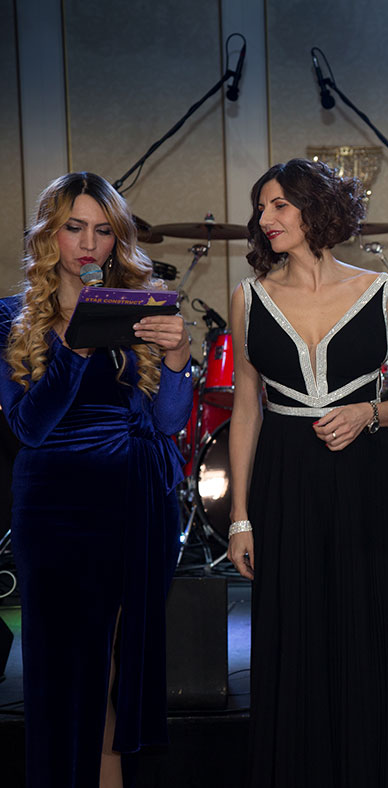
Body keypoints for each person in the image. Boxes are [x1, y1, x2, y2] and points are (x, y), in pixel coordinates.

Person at [226, 158, 388, 787]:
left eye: (279, 205)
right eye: (261, 208)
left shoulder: (381, 290)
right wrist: (240, 516)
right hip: (284, 481)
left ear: (316, 209)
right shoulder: (248, 298)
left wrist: (368, 413)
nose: (266, 219)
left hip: (362, 480)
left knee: (368, 629)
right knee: (293, 637)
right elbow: (246, 410)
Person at [0, 172, 192, 787]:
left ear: (118, 239)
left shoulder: (139, 304)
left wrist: (178, 359)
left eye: (104, 231)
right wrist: (74, 345)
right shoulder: (10, 318)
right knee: (64, 672)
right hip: (53, 505)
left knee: (115, 667)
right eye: (74, 228)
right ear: (48, 234)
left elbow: (168, 422)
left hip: (135, 498)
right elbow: (29, 426)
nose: (89, 244)